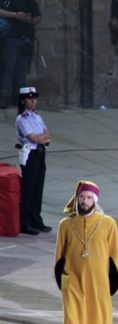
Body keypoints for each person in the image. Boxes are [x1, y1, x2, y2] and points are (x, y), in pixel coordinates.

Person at [54, 181, 118, 324]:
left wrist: (111, 285)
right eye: (82, 197)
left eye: (89, 198)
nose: (85, 201)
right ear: (76, 199)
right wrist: (63, 283)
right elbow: (59, 257)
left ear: (95, 201)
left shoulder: (108, 224)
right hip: (73, 283)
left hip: (99, 284)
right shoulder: (66, 225)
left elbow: (114, 256)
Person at [15, 87, 51, 235]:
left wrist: (41, 138)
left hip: (40, 153)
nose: (33, 101)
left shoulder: (37, 117)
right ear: (23, 101)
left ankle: (36, 219)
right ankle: (25, 222)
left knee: (38, 188)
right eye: (30, 99)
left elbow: (48, 134)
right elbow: (33, 138)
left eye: (34, 98)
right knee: (29, 189)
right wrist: (41, 138)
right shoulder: (21, 118)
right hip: (30, 154)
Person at [0, 0, 41, 109]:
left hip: (25, 38)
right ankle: (5, 97)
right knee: (8, 68)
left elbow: (37, 17)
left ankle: (20, 98)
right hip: (10, 37)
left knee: (21, 70)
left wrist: (30, 20)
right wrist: (15, 15)